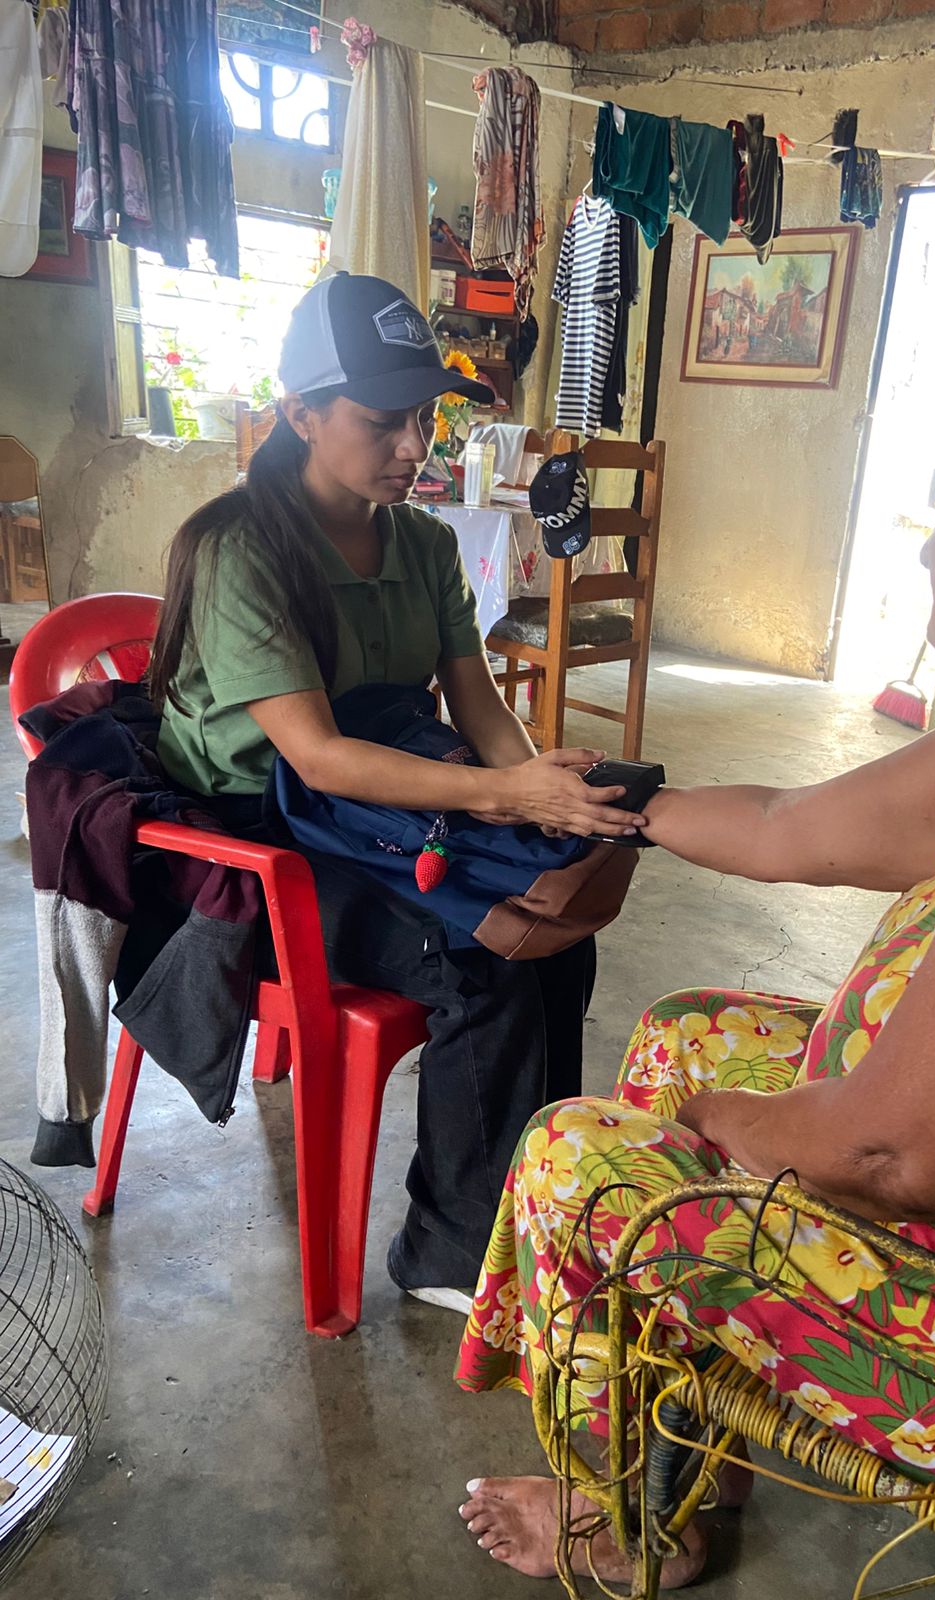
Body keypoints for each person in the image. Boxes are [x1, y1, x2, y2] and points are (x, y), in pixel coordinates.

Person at [454, 344, 935, 1583]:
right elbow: (790, 826)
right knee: (683, 1031)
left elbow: (896, 1154)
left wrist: (721, 1123)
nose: (930, 545)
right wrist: (615, 806)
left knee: (574, 1165)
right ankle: (691, 1448)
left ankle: (626, 1523)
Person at [151, 272, 648, 1312]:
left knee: (553, 927)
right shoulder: (242, 550)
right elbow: (319, 759)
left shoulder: (422, 543)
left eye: (423, 416)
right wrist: (503, 798)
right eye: (382, 422)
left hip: (376, 812)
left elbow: (480, 706)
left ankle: (530, 1205)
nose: (414, 445)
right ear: (301, 414)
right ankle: (453, 1251)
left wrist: (534, 781)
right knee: (477, 953)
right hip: (262, 839)